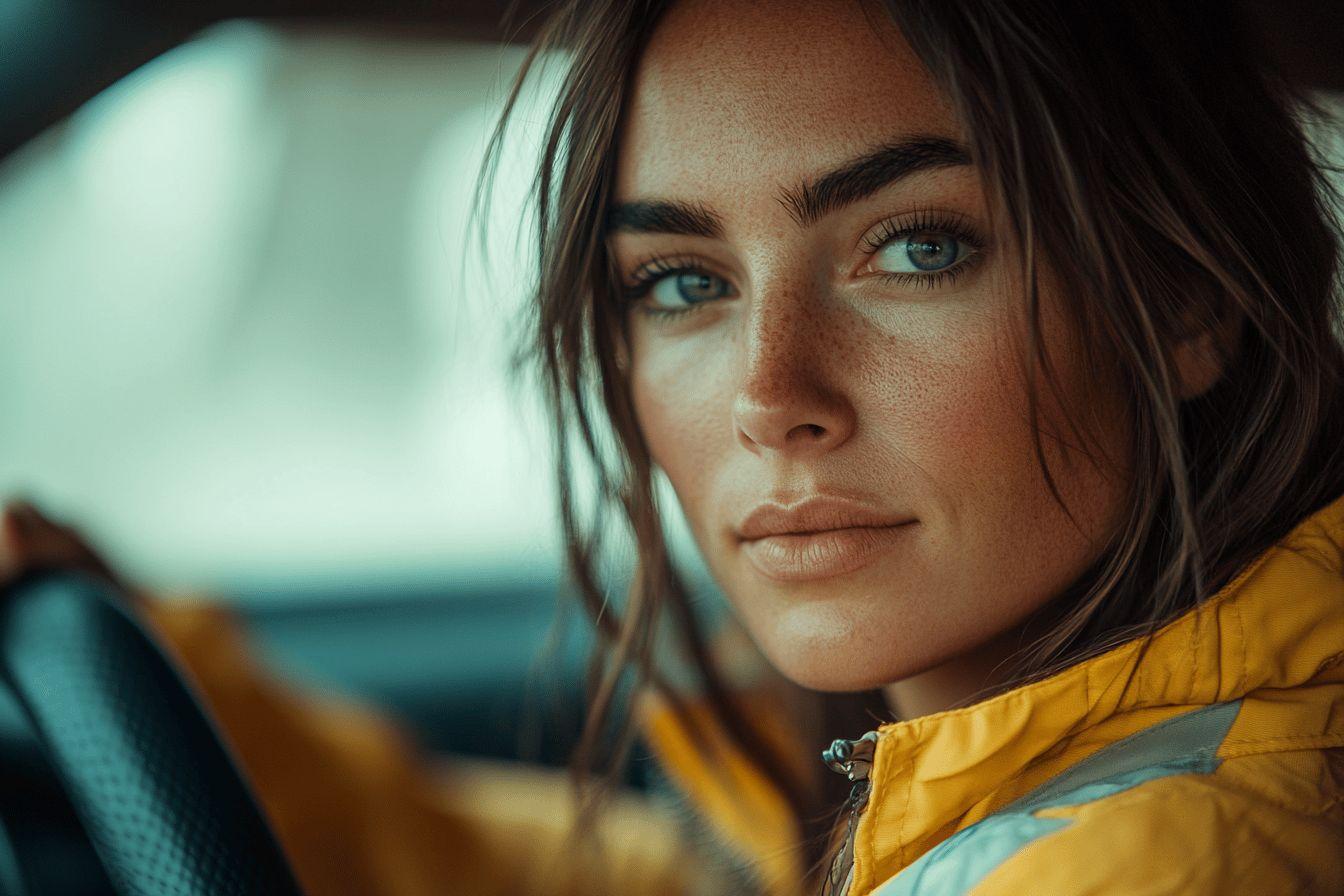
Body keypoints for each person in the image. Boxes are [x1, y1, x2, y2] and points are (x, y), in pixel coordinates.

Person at [4, 0, 1344, 894]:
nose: (772, 393)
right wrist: (163, 674)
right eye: (684, 283)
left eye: (917, 249)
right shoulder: (928, 807)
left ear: (1181, 304)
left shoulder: (1152, 855)